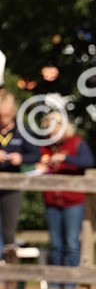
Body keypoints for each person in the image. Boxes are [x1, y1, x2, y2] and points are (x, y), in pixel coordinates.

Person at [36, 110, 95, 289]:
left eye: (54, 129)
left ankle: (70, 284)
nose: (51, 134)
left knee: (71, 243)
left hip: (73, 201)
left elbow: (88, 161)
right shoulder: (46, 147)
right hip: (52, 200)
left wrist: (64, 158)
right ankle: (55, 283)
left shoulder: (76, 143)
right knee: (55, 244)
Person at [0, 91, 40, 268]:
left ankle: (10, 276)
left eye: (7, 115)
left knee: (9, 231)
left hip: (12, 187)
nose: (4, 119)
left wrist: (20, 158)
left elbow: (35, 154)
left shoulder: (22, 131)